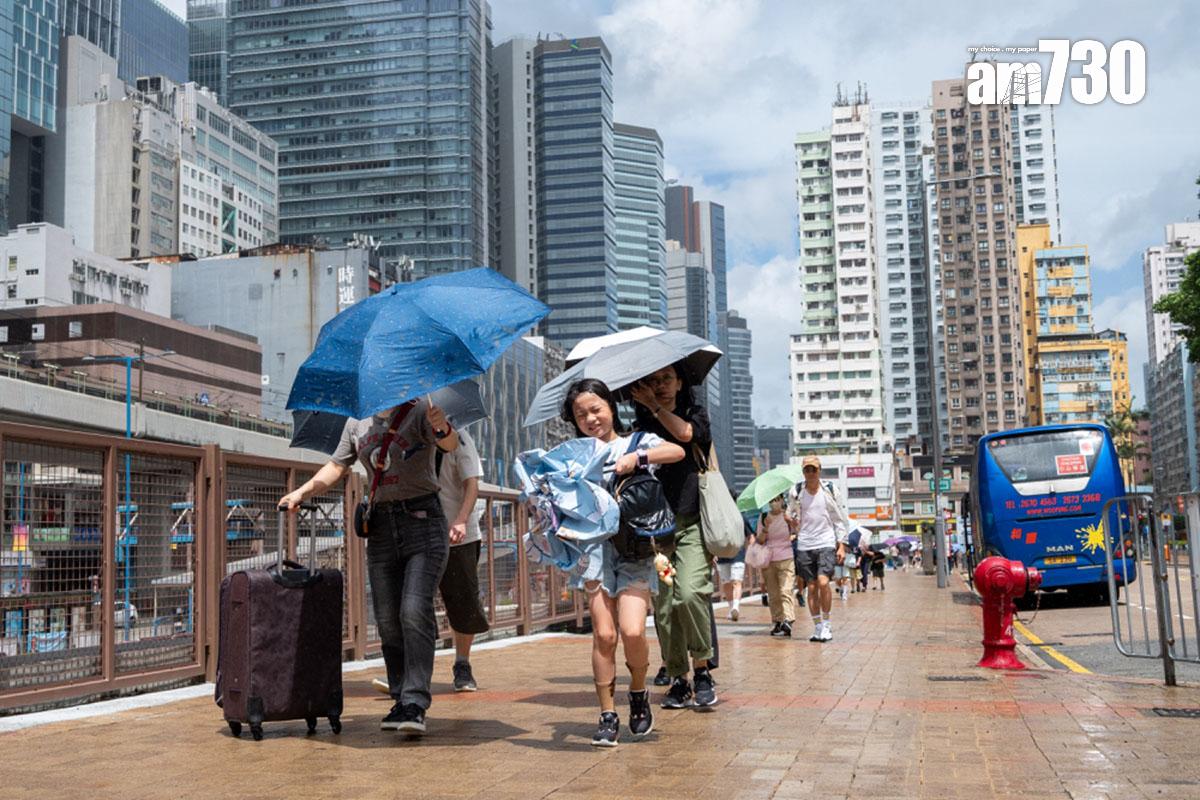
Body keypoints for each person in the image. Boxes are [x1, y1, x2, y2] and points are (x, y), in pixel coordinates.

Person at [279, 398, 458, 736]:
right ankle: (400, 698)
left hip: (423, 522)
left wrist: (442, 427)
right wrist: (301, 492)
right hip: (381, 528)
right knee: (387, 619)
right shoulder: (356, 422)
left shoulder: (420, 410)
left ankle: (415, 702)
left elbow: (450, 444)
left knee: (413, 610)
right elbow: (337, 466)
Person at [561, 378, 685, 747]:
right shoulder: (573, 456)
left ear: (611, 408)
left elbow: (677, 451)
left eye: (596, 409)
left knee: (632, 631)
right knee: (604, 634)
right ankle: (607, 714)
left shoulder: (636, 441)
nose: (590, 419)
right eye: (581, 414)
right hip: (594, 550)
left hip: (635, 548)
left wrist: (638, 459)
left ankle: (638, 692)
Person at [629, 362, 718, 711]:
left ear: (681, 382)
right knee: (665, 608)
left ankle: (702, 669)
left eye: (666, 379)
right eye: (652, 381)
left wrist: (654, 407)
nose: (660, 385)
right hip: (657, 531)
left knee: (690, 594)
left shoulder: (695, 415)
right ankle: (679, 678)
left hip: (692, 522)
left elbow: (685, 436)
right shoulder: (638, 430)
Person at [374, 427, 489, 697]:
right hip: (418, 534)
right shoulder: (406, 436)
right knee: (409, 604)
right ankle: (407, 673)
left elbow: (471, 484)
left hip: (457, 534)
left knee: (463, 603)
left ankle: (462, 664)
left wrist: (461, 519)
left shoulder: (459, 436)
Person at [790, 455, 848, 643]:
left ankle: (827, 625)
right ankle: (817, 627)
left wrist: (841, 545)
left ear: (819, 470)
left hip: (826, 542)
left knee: (823, 582)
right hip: (805, 544)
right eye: (807, 470)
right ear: (803, 472)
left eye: (813, 469)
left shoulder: (829, 490)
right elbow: (791, 515)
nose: (810, 473)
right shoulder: (796, 491)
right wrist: (791, 520)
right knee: (812, 587)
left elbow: (840, 518)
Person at [753, 494, 797, 636]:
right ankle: (778, 621)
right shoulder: (764, 517)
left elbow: (798, 531)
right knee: (773, 594)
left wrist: (791, 523)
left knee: (786, 590)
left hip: (786, 557)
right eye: (771, 500)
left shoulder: (788, 516)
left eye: (777, 499)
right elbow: (760, 541)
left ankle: (788, 620)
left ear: (782, 500)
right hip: (769, 560)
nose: (774, 503)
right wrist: (766, 527)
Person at [715, 515, 752, 621]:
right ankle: (732, 608)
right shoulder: (718, 518)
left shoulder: (741, 517)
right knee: (726, 583)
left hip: (738, 555)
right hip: (721, 555)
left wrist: (752, 553)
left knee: (736, 581)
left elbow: (750, 536)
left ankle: (736, 607)